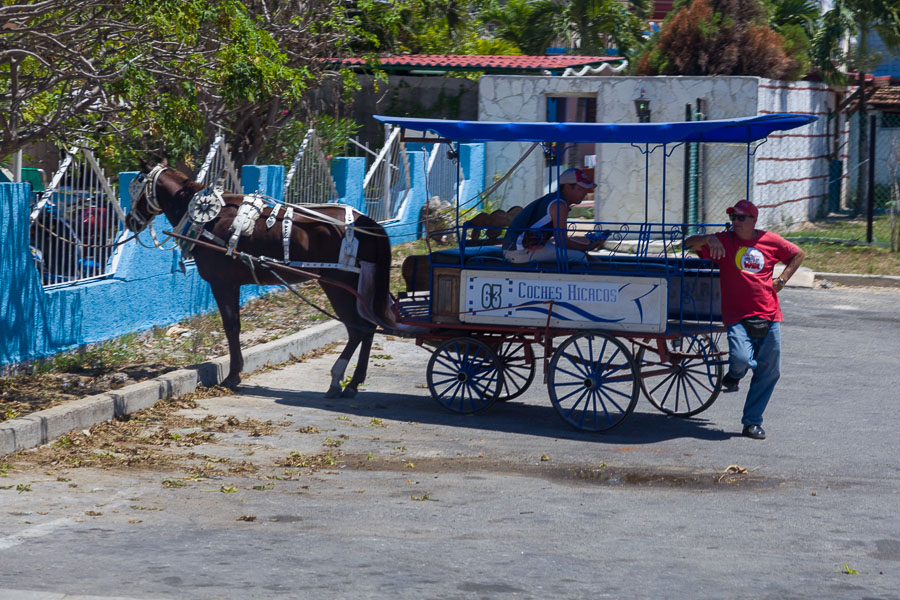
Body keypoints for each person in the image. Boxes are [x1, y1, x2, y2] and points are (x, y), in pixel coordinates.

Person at [684, 199, 805, 440]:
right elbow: (687, 243)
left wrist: (781, 281)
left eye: (741, 217)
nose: (736, 222)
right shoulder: (724, 240)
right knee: (740, 359)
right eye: (733, 218)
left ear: (754, 220)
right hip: (737, 316)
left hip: (769, 314)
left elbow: (798, 254)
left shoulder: (770, 240)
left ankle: (752, 422)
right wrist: (709, 238)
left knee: (769, 371)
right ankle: (735, 375)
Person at [502, 168, 606, 264]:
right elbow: (562, 242)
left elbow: (558, 239)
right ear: (567, 187)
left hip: (519, 247)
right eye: (581, 189)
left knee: (585, 256)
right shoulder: (559, 205)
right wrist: (588, 247)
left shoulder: (554, 200)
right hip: (518, 251)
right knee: (580, 257)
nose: (585, 193)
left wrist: (584, 243)